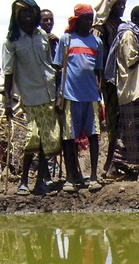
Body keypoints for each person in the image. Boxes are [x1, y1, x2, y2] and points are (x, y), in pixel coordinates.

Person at [4, 0, 62, 195]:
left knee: (48, 139)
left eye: (31, 12)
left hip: (49, 93)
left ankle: (40, 181)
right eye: (24, 13)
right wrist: (7, 102)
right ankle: (23, 181)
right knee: (32, 138)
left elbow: (49, 64)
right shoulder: (11, 41)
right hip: (29, 96)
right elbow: (8, 73)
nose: (28, 16)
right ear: (17, 16)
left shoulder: (42, 36)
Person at [54, 3, 105, 192]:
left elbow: (99, 71)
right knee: (69, 138)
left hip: (91, 96)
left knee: (93, 136)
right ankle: (70, 178)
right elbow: (58, 68)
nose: (89, 23)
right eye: (85, 19)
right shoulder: (66, 40)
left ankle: (93, 177)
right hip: (70, 96)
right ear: (78, 20)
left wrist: (99, 94)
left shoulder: (97, 42)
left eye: (91, 19)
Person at [105, 6, 139, 181]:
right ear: (135, 18)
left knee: (128, 131)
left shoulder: (136, 35)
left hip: (137, 89)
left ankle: (113, 168)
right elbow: (131, 60)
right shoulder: (128, 35)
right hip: (132, 89)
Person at [93, 0, 128, 174]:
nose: (122, 7)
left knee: (124, 120)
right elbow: (96, 55)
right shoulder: (101, 28)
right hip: (109, 80)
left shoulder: (123, 26)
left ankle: (118, 160)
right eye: (119, 4)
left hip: (123, 78)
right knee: (114, 120)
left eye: (124, 4)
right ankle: (110, 162)